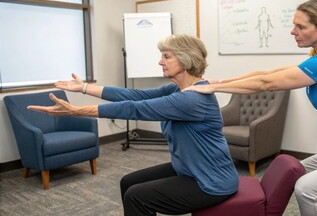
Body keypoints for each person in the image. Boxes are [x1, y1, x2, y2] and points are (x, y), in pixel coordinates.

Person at [184, 0, 317, 216]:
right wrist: (219, 82)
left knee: (306, 188)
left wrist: (213, 90)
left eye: (300, 26)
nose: (293, 31)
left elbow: (266, 84)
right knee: (297, 172)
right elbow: (267, 74)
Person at [27, 34, 239, 216]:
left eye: (166, 56)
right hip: (189, 170)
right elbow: (133, 95)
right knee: (128, 182)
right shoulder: (177, 90)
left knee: (137, 197)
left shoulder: (192, 99)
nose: (160, 61)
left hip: (211, 181)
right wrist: (84, 88)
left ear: (185, 59)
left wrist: (75, 111)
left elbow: (134, 109)